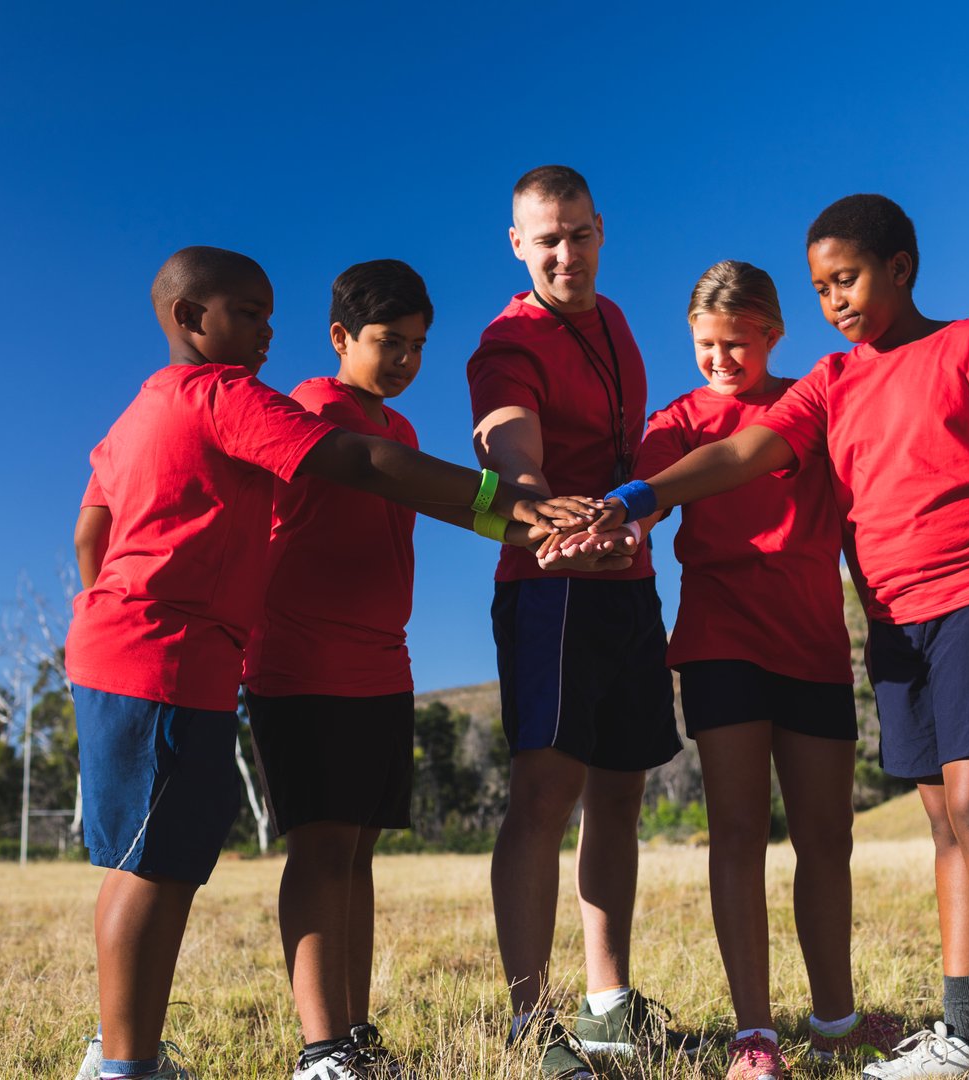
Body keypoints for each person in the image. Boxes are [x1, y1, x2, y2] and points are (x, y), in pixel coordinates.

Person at [572, 195, 969, 1080]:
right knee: (942, 824)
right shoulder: (833, 383)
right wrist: (633, 498)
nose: (836, 301)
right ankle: (964, 1033)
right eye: (821, 288)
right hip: (895, 622)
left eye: (846, 279)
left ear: (902, 267)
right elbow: (739, 455)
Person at [68, 246, 589, 1080]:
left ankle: (328, 1037)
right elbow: (357, 464)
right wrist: (513, 500)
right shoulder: (259, 401)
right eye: (247, 314)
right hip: (218, 658)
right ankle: (231, 1055)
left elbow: (92, 534)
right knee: (164, 865)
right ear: (189, 318)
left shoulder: (145, 409)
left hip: (261, 657)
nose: (267, 333)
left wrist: (541, 531)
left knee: (319, 853)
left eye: (270, 317)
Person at [609, 260, 898, 1080]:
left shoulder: (816, 404)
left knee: (826, 839)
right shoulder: (674, 423)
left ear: (773, 335)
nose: (722, 361)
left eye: (738, 344)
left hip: (812, 644)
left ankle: (836, 1021)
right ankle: (754, 1037)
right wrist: (624, 527)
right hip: (718, 642)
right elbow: (649, 503)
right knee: (737, 835)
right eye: (707, 345)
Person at [466, 165, 693, 1078]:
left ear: (602, 229)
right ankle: (532, 1021)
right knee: (543, 798)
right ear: (518, 246)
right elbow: (512, 453)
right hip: (550, 583)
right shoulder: (504, 342)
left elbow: (635, 455)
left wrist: (638, 517)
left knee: (622, 792)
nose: (566, 254)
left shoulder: (620, 322)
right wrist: (545, 512)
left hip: (628, 581)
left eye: (578, 234)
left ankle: (608, 1004)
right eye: (546, 240)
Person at [242, 259, 443, 1080]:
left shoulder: (405, 434)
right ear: (339, 338)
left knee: (357, 853)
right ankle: (320, 1050)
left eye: (418, 346)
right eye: (388, 342)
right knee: (320, 850)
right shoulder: (309, 409)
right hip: (301, 659)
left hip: (380, 662)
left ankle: (355, 1038)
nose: (403, 360)